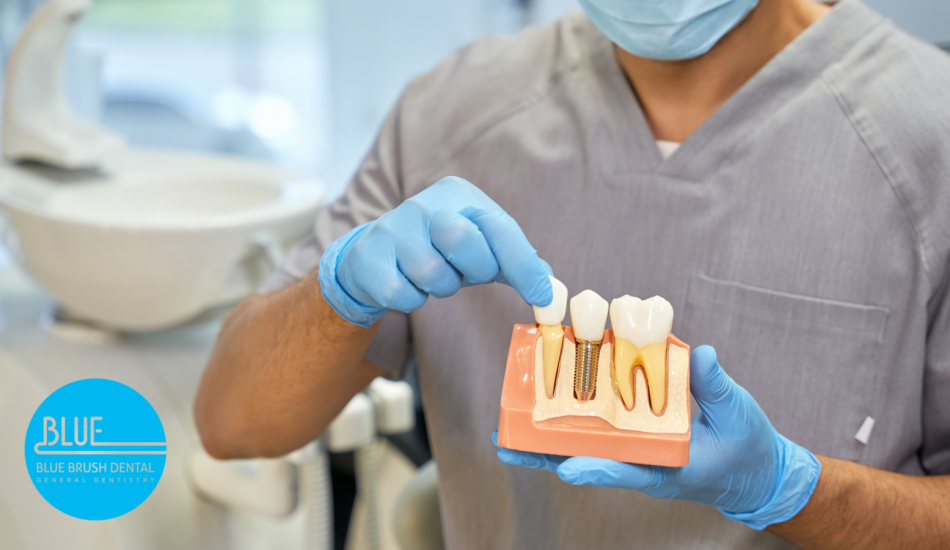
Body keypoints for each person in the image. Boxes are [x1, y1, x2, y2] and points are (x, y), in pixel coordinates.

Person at [194, 0, 950, 546]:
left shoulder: (928, 133)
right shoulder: (448, 113)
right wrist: (341, 295)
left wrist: (792, 488)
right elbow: (233, 423)